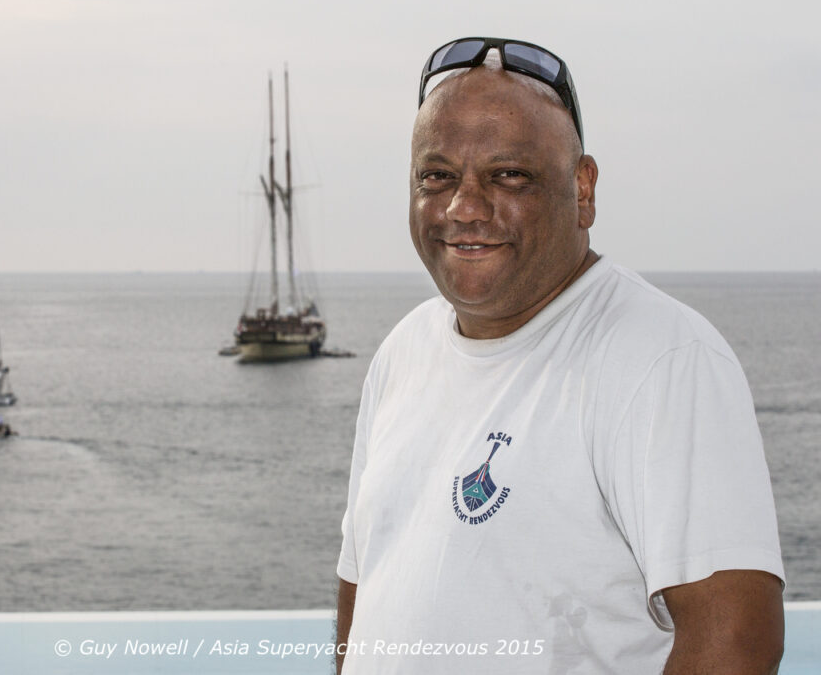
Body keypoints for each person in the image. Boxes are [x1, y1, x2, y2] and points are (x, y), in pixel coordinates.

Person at [335, 38, 785, 674]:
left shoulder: (662, 358)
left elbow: (736, 646)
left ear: (583, 188)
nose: (464, 208)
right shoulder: (402, 351)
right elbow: (364, 579)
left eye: (509, 175)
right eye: (437, 177)